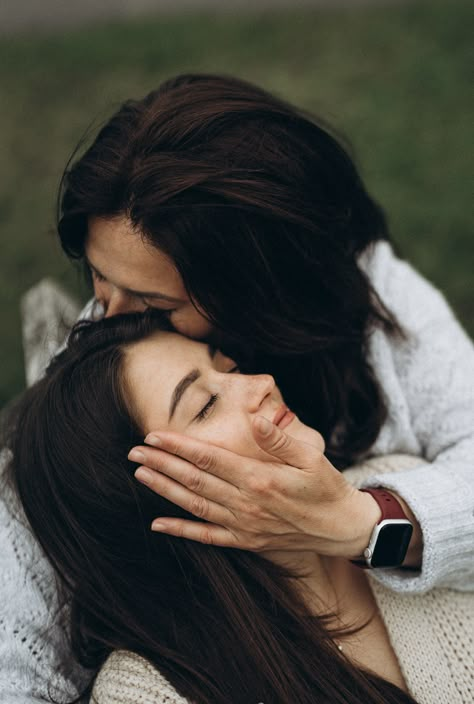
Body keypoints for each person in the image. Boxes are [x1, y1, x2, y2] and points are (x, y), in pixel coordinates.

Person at [0, 72, 473, 700]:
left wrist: (362, 522)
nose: (106, 318)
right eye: (96, 275)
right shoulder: (97, 414)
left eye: (150, 299)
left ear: (256, 289)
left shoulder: (374, 305)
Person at [7, 313, 473, 704]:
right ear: (141, 496)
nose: (262, 384)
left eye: (227, 369)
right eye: (206, 404)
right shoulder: (148, 693)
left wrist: (366, 526)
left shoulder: (405, 489)